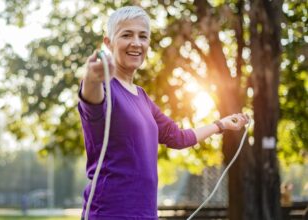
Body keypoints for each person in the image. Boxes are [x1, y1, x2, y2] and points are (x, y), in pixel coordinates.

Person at [78, 6, 249, 220]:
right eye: (126, 35)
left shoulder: (142, 97)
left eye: (143, 36)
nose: (136, 43)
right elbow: (90, 98)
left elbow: (178, 137)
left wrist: (220, 124)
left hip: (146, 215)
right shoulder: (104, 88)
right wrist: (93, 77)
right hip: (109, 213)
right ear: (108, 43)